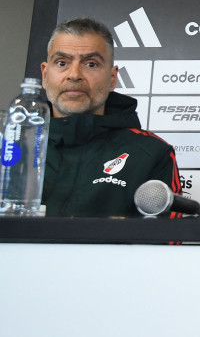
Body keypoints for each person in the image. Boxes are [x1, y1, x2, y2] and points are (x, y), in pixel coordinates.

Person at [39, 17, 182, 217]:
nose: (74, 74)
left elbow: (166, 241)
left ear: (112, 78)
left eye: (91, 64)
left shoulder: (151, 153)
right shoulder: (12, 146)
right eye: (62, 62)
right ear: (45, 75)